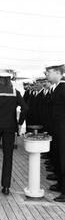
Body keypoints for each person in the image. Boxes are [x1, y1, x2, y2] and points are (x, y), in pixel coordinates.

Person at [44, 64, 65, 202]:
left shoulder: (63, 88)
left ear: (58, 72)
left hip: (63, 129)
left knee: (63, 158)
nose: (46, 75)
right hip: (57, 129)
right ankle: (61, 184)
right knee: (58, 156)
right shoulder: (57, 88)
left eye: (49, 72)